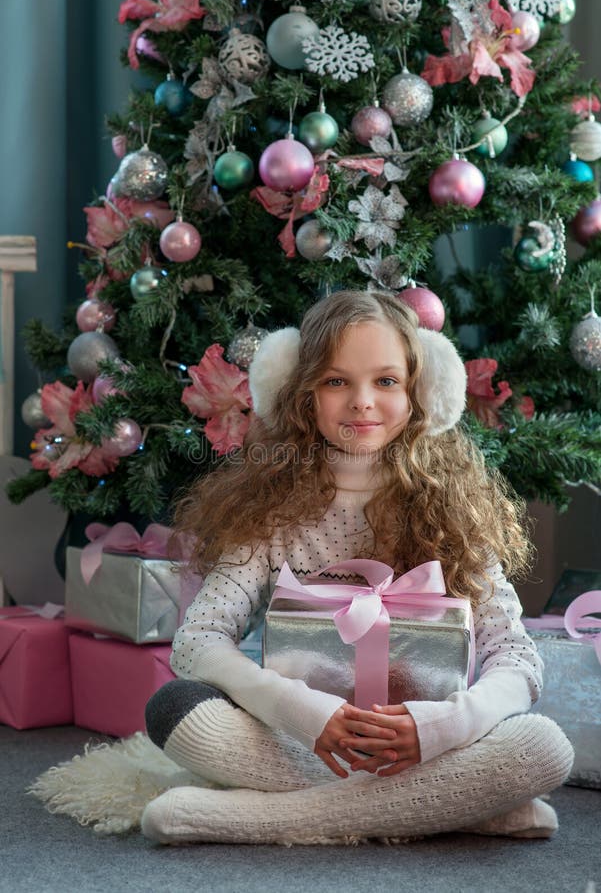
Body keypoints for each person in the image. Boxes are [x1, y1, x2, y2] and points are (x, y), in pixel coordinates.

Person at [141, 289, 573, 845]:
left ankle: (258, 820)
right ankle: (453, 806)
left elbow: (516, 658)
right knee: (176, 709)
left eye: (386, 381)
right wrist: (301, 711)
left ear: (421, 393)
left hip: (426, 747)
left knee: (543, 745)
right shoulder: (272, 513)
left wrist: (444, 727)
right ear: (300, 394)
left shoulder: (452, 507)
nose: (362, 401)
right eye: (336, 380)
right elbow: (197, 641)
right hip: (304, 739)